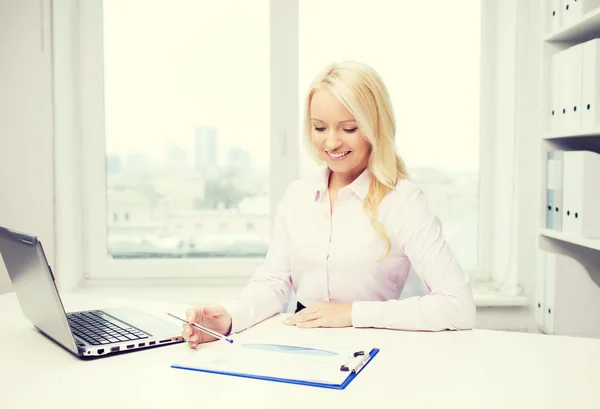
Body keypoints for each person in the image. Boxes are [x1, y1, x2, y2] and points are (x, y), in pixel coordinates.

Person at [182, 61, 476, 348]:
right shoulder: (298, 196)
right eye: (320, 127)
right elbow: (272, 284)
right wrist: (228, 320)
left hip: (375, 352)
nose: (331, 142)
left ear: (375, 127)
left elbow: (458, 306)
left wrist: (351, 314)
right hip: (302, 349)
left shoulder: (402, 201)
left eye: (349, 128)